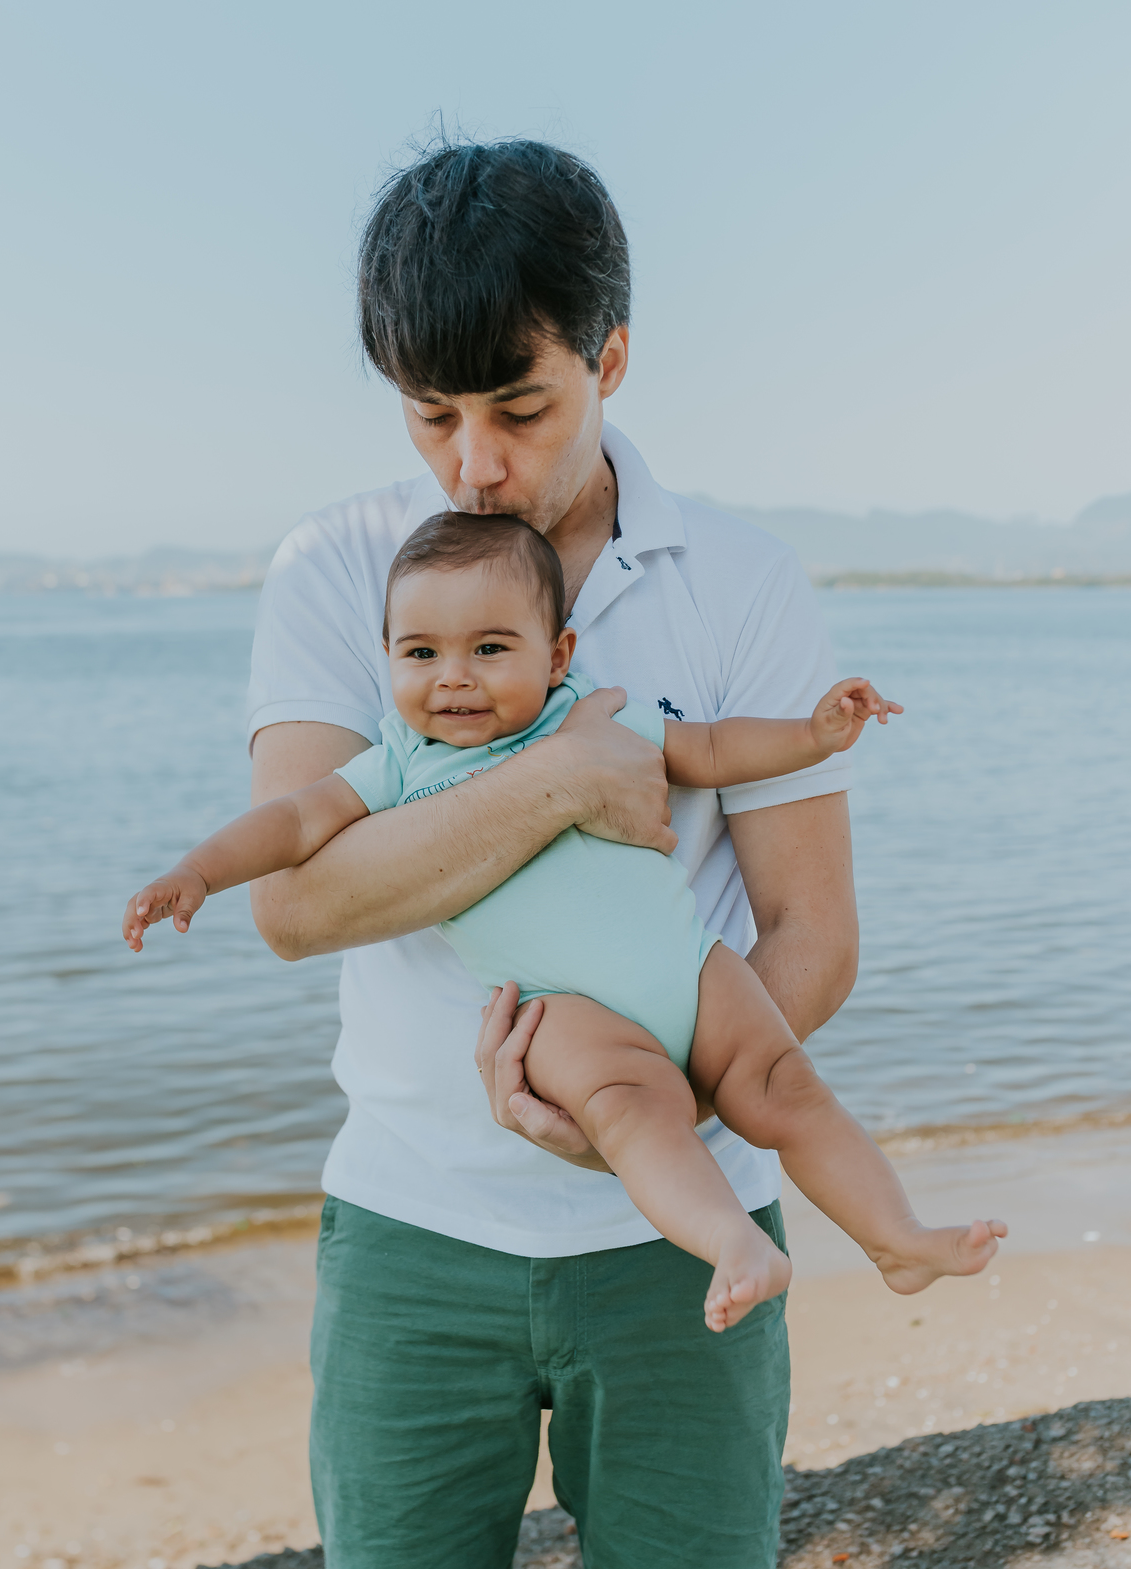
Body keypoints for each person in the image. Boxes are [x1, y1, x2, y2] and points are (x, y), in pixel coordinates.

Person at [231, 137, 909, 1569]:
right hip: (408, 1227)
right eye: (427, 413)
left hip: (682, 1230)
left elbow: (809, 934)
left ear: (609, 356)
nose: (471, 462)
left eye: (518, 409)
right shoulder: (341, 571)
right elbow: (300, 902)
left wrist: (632, 1108)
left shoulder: (741, 580)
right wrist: (566, 774)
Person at [124, 510, 1004, 1338]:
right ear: (386, 656)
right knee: (637, 1116)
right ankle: (731, 1241)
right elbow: (294, 822)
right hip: (567, 1012)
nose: (454, 675)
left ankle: (896, 1238)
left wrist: (812, 734)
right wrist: (198, 871)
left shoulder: (589, 713)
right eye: (421, 651)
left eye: (490, 648)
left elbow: (707, 749)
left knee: (789, 1087)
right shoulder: (397, 763)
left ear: (557, 654)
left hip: (693, 967)